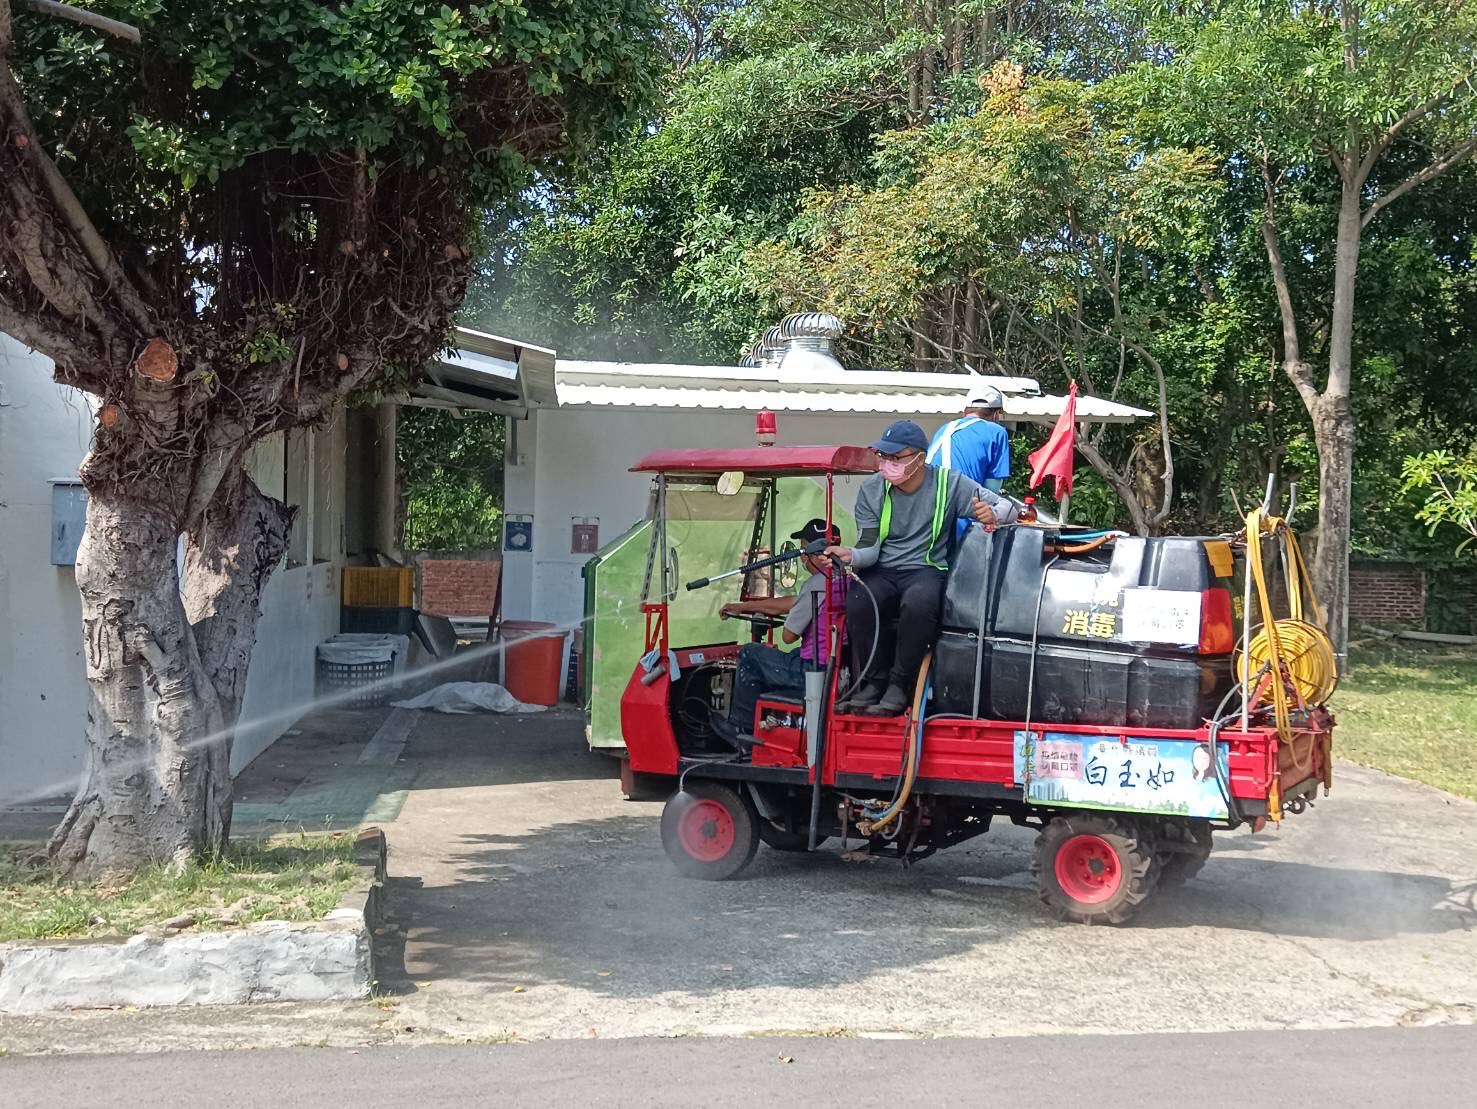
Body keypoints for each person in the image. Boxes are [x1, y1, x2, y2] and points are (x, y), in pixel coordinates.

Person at [827, 419, 1018, 717]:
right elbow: (869, 548)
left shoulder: (949, 483)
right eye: (883, 456)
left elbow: (1010, 509)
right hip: (883, 567)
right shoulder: (871, 490)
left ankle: (899, 684)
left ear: (918, 458)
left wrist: (991, 512)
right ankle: (873, 681)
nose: (887, 464)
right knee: (860, 599)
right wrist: (850, 555)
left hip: (925, 569)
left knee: (919, 603)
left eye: (895, 457)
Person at [713, 519, 847, 744]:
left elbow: (788, 636)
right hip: (837, 667)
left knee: (750, 654)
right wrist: (744, 607)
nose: (802, 558)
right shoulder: (843, 579)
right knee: (791, 654)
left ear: (813, 553)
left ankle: (742, 730)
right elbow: (794, 603)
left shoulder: (816, 585)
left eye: (804, 550)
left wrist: (797, 619)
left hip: (814, 671)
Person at [927, 385, 1011, 493]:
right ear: (995, 414)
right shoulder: (997, 432)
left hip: (928, 496)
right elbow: (992, 488)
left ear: (966, 410)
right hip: (962, 501)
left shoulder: (945, 428)